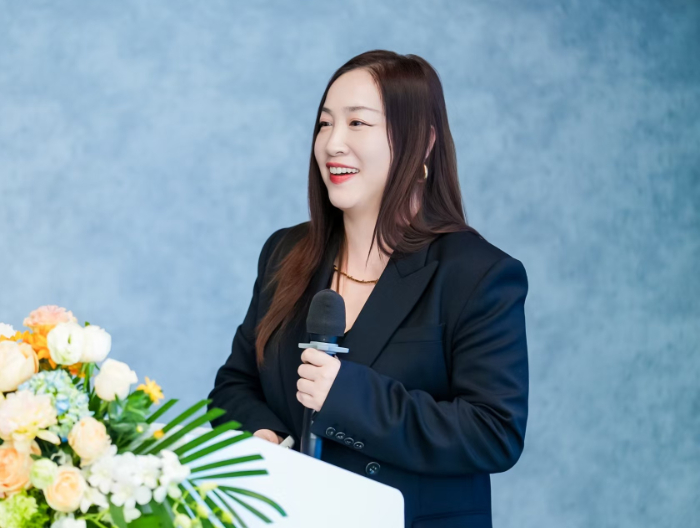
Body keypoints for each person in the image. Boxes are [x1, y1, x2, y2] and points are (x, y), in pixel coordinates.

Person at [208, 50, 529, 528]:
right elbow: (234, 385)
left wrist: (349, 396)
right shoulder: (284, 251)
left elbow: (493, 432)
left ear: (423, 141)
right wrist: (266, 436)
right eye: (324, 124)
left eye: (358, 123)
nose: (332, 143)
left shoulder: (478, 273)